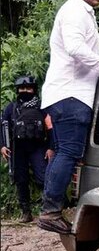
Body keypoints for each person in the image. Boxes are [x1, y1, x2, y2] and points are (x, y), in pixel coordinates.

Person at [38, 0, 99, 234]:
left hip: (71, 93)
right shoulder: (74, 11)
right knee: (69, 151)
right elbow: (76, 48)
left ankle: (51, 208)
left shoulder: (81, 12)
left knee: (67, 150)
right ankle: (50, 210)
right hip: (71, 93)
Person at [1, 76, 53, 223]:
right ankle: (26, 213)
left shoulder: (42, 107)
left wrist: (50, 147)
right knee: (20, 180)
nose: (25, 91)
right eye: (22, 88)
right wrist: (2, 146)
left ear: (34, 89)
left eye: (28, 88)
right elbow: (3, 127)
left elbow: (50, 129)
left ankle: (48, 211)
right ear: (18, 90)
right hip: (17, 149)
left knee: (43, 177)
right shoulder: (11, 108)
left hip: (38, 147)